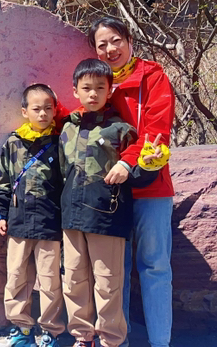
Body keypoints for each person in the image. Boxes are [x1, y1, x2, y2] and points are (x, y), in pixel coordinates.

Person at [58, 59, 165, 347]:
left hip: (107, 216)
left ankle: (111, 340)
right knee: (73, 281)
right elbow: (61, 173)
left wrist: (150, 163)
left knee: (108, 283)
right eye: (86, 88)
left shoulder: (121, 129)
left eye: (100, 88)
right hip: (71, 218)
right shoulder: (67, 128)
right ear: (75, 91)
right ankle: (82, 338)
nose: (93, 94)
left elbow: (136, 174)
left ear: (110, 91)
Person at [86, 17, 176, 347]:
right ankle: (116, 342)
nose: (110, 49)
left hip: (151, 186)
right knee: (114, 271)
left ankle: (160, 343)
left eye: (116, 40)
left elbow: (156, 130)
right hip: (110, 190)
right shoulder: (98, 83)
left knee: (155, 266)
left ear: (129, 41)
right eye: (102, 45)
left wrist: (127, 161)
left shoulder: (152, 76)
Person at [0, 84, 66, 347]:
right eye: (36, 109)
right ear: (25, 111)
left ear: (55, 111)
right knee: (16, 277)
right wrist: (2, 214)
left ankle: (50, 333)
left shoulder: (59, 143)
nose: (43, 113)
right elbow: (4, 180)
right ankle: (22, 331)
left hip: (49, 223)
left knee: (50, 281)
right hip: (19, 221)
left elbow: (66, 183)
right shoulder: (13, 143)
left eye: (48, 108)